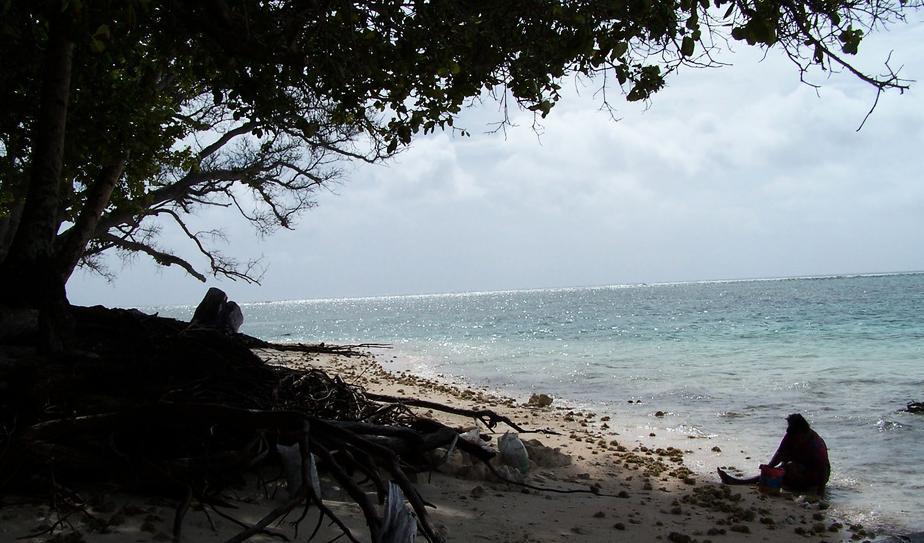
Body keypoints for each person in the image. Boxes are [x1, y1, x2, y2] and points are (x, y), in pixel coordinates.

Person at [717, 413, 830, 493]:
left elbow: (823, 471)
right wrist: (769, 468)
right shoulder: (792, 435)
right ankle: (740, 482)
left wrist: (820, 494)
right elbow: (780, 453)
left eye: (794, 435)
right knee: (781, 469)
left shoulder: (815, 445)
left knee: (789, 468)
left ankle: (740, 482)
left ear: (802, 433)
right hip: (797, 469)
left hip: (815, 476)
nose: (790, 436)